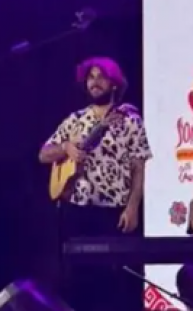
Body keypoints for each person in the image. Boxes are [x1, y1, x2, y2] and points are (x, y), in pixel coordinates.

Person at [38, 57, 151, 311]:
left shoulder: (129, 119)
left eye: (101, 77)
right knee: (78, 285)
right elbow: (43, 154)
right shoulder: (75, 119)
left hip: (113, 213)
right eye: (91, 77)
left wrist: (133, 207)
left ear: (114, 84)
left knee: (114, 287)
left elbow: (139, 167)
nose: (95, 82)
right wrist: (66, 148)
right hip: (78, 212)